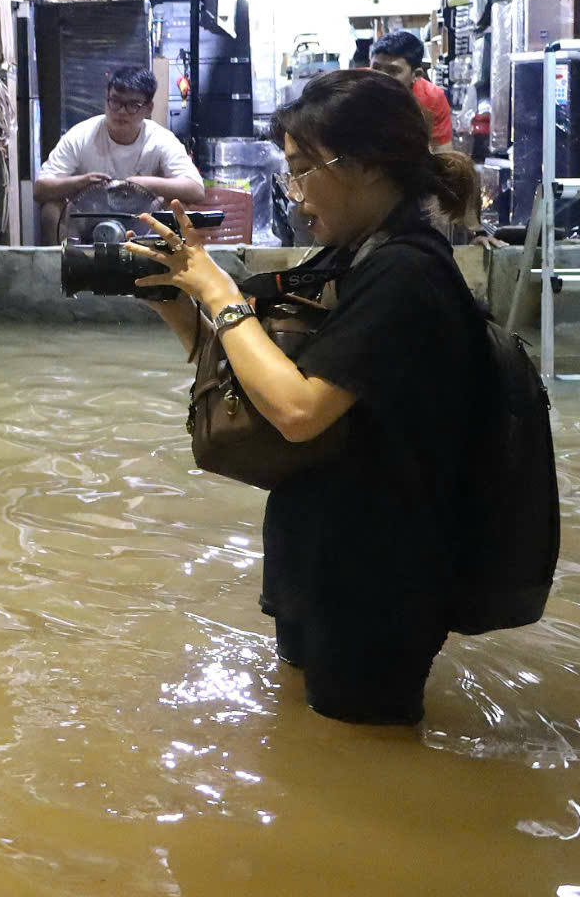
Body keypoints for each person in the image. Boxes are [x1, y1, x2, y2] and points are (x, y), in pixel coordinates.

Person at [125, 68, 490, 725]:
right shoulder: (351, 259)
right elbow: (256, 386)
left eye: (302, 171)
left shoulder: (405, 271)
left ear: (362, 164)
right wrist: (178, 306)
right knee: (307, 745)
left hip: (380, 579)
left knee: (366, 775)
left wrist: (220, 295)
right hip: (323, 557)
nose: (294, 196)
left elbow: (297, 412)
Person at [33, 67, 206, 234]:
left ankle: (168, 263)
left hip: (144, 224)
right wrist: (80, 183)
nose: (121, 112)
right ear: (106, 99)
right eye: (115, 102)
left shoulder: (161, 139)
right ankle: (60, 263)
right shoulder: (81, 135)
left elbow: (196, 190)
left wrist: (145, 183)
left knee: (178, 207)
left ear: (148, 108)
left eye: (133, 105)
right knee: (51, 209)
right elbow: (40, 189)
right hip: (88, 222)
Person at [370, 29, 455, 146]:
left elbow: (441, 154)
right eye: (376, 68)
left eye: (393, 71)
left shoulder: (432, 99)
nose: (380, 77)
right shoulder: (353, 89)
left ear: (416, 75)